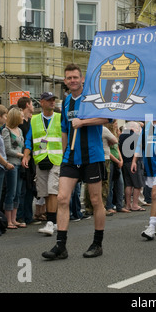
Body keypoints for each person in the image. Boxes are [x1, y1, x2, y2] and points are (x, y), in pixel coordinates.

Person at [42, 63, 110, 260]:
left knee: (96, 201)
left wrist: (84, 122)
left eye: (75, 77)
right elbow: (65, 129)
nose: (72, 80)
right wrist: (63, 155)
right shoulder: (65, 103)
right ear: (65, 81)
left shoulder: (92, 98)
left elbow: (107, 118)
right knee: (62, 198)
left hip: (92, 156)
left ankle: (97, 243)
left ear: (82, 79)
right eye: (69, 78)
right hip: (71, 158)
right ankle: (60, 246)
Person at [22, 92, 62, 236]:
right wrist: (26, 156)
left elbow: (66, 137)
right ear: (42, 102)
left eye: (53, 100)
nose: (52, 102)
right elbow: (29, 140)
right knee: (44, 192)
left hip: (56, 159)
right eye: (49, 100)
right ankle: (55, 221)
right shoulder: (34, 120)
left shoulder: (60, 117)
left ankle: (50, 222)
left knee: (52, 190)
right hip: (40, 160)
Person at [3, 107, 26, 228]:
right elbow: (7, 149)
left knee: (17, 192)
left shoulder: (20, 130)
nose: (23, 118)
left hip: (19, 164)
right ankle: (8, 220)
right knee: (11, 192)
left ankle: (14, 218)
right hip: (11, 164)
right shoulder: (6, 130)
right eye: (21, 116)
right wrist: (22, 155)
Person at [17, 96, 37, 224]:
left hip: (32, 157)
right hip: (22, 156)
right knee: (22, 189)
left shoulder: (32, 121)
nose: (33, 106)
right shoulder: (19, 122)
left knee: (30, 187)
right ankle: (20, 215)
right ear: (27, 104)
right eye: (32, 104)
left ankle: (29, 216)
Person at [119, 121, 144, 212]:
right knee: (137, 184)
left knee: (128, 184)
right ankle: (135, 205)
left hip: (125, 162)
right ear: (133, 127)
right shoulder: (136, 136)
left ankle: (128, 205)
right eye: (137, 128)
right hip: (134, 162)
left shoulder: (121, 136)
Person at [106, 120, 125, 214]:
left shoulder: (116, 134)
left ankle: (119, 205)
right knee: (110, 185)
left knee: (120, 184)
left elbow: (117, 148)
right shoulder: (107, 134)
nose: (116, 125)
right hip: (111, 161)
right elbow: (107, 150)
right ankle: (109, 206)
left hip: (118, 161)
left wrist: (121, 160)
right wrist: (117, 161)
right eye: (115, 123)